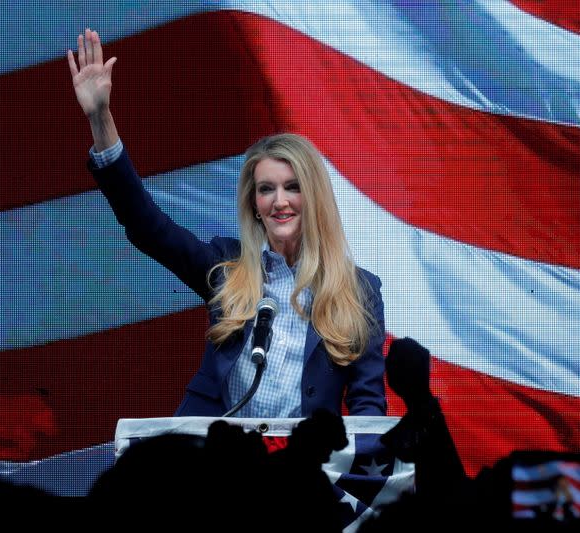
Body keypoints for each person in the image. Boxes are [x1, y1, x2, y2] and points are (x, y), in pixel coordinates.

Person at [67, 28, 386, 417]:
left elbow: (368, 405)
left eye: (292, 187)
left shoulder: (358, 290)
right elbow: (148, 227)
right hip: (217, 461)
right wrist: (101, 119)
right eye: (266, 189)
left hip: (301, 468)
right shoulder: (227, 268)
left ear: (315, 198)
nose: (279, 201)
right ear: (254, 204)